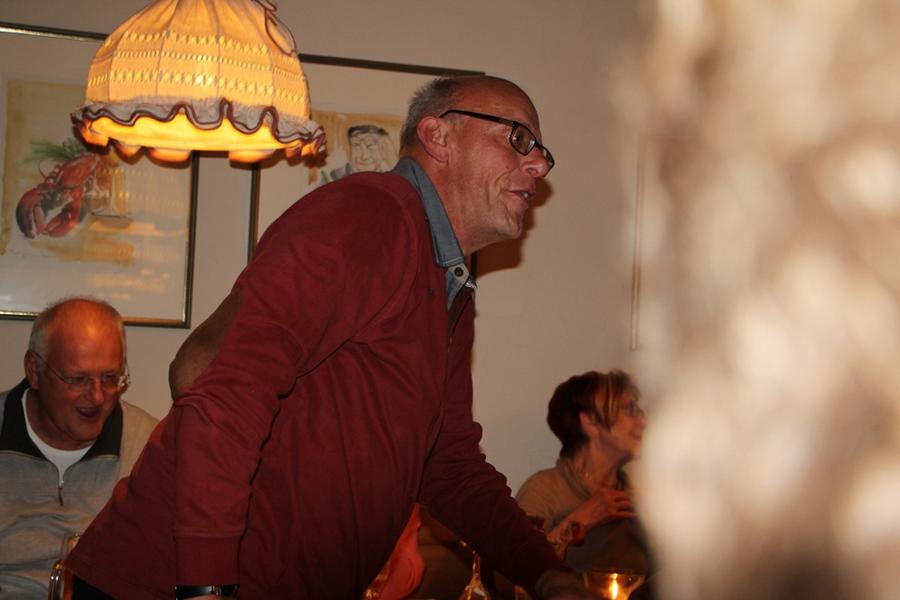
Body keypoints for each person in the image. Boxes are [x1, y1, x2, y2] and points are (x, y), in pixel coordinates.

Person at [66, 75, 592, 600]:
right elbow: (227, 395)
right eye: (518, 138)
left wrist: (547, 574)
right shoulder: (370, 214)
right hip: (164, 585)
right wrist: (205, 589)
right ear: (439, 136)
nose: (539, 164)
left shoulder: (447, 285)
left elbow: (448, 464)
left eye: (541, 151)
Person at [0, 297, 158, 599]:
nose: (97, 397)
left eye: (110, 378)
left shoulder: (149, 446)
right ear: (34, 370)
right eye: (78, 379)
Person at [516, 370, 655, 594]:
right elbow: (514, 574)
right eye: (629, 409)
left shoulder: (639, 498)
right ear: (590, 422)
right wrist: (580, 520)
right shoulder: (544, 489)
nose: (643, 421)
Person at [322, 124, 398, 183]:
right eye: (356, 145)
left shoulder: (391, 179)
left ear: (382, 149)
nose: (364, 156)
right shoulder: (334, 177)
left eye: (370, 145)